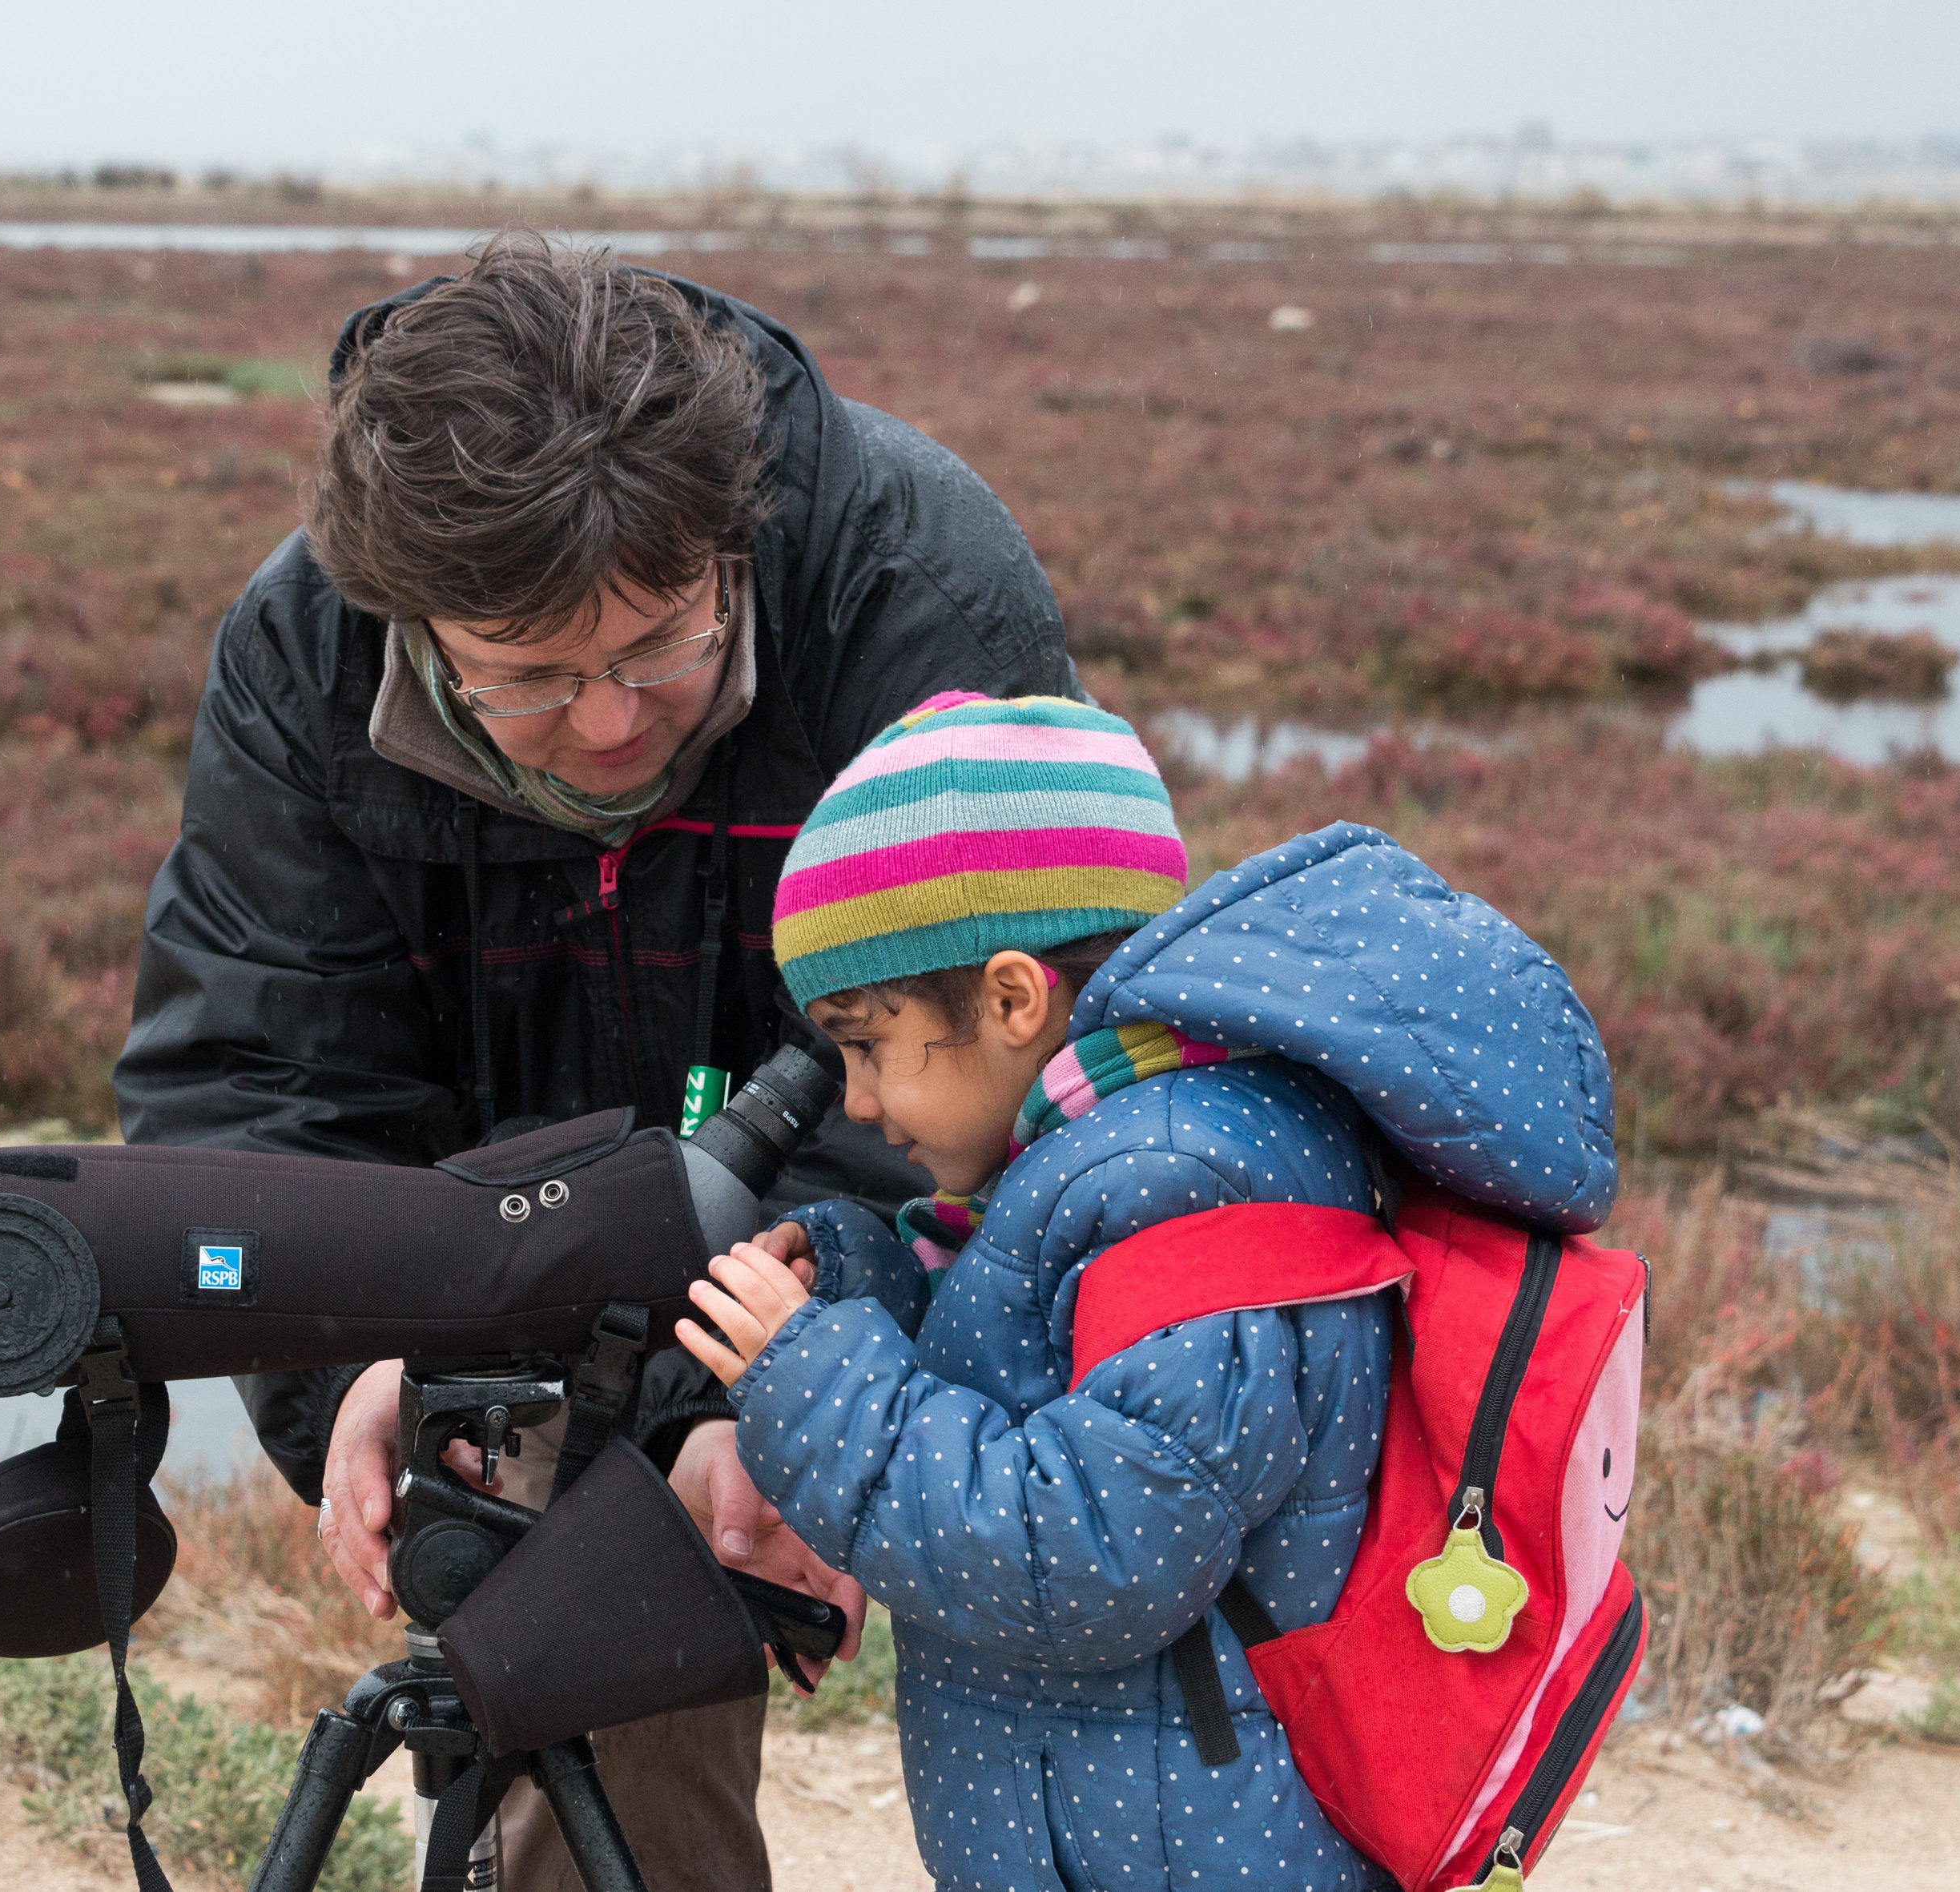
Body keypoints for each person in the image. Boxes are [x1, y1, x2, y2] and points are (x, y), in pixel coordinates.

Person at [113, 234, 1081, 1890]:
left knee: (1093, 1700)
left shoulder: (904, 583)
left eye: (659, 649)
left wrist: (774, 1395)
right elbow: (264, 1078)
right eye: (532, 684)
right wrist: (344, 1370)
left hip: (866, 1213)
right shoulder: (302, 654)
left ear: (730, 541)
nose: (615, 724)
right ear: (407, 617)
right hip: (490, 1245)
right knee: (588, 1624)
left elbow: (994, 1042)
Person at [678, 691, 1617, 1892]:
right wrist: (857, 1279)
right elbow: (1024, 1366)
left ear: (1014, 999)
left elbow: (1095, 1552)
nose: (857, 1102)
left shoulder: (1189, 1181)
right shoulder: (1092, 1158)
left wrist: (811, 1386)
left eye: (868, 1041)